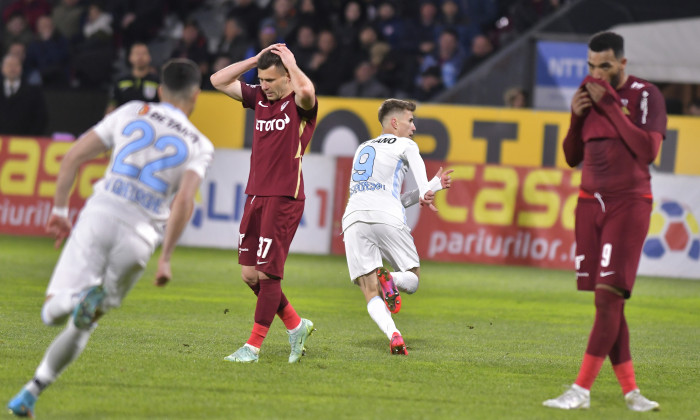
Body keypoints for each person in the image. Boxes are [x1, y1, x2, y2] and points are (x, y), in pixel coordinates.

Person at [6, 58, 214, 418]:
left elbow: (73, 156)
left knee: (52, 311)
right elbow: (184, 202)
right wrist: (165, 258)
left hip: (101, 215)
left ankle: (73, 299)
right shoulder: (199, 143)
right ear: (196, 95)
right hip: (139, 242)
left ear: (160, 90)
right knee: (88, 320)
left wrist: (58, 213)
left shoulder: (131, 110)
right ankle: (31, 392)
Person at [542, 31, 666, 412]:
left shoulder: (646, 95)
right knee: (610, 305)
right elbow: (570, 155)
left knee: (607, 296)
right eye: (591, 66)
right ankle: (632, 394)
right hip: (588, 204)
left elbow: (648, 150)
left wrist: (611, 106)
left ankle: (581, 389)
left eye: (605, 66)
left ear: (622, 64)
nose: (597, 73)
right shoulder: (586, 92)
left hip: (628, 203)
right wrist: (577, 118)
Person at [210, 43, 318, 363]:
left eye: (271, 80)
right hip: (255, 194)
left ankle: (253, 347)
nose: (265, 86)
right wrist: (256, 60)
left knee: (269, 275)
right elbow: (217, 80)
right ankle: (296, 325)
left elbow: (308, 90)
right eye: (262, 79)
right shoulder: (258, 97)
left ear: (287, 77)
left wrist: (293, 64)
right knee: (249, 274)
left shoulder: (300, 104)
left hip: (284, 196)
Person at [341, 99, 453, 355]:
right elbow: (418, 184)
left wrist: (431, 187)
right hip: (387, 216)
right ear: (395, 122)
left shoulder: (363, 147)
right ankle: (390, 278)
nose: (413, 127)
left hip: (354, 217)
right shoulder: (406, 144)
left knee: (370, 290)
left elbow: (395, 197)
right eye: (410, 121)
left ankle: (394, 335)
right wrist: (429, 188)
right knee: (412, 279)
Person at [0, 53, 48, 136]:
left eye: (16, 65)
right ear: (2, 68)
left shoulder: (34, 92)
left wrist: (30, 138)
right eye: (9, 65)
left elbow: (41, 118)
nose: (12, 68)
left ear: (21, 68)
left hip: (25, 143)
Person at [105, 42, 159, 114]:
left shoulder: (157, 82)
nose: (140, 57)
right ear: (130, 57)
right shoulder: (121, 81)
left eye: (143, 53)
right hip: (125, 121)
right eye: (137, 54)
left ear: (149, 57)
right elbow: (112, 105)